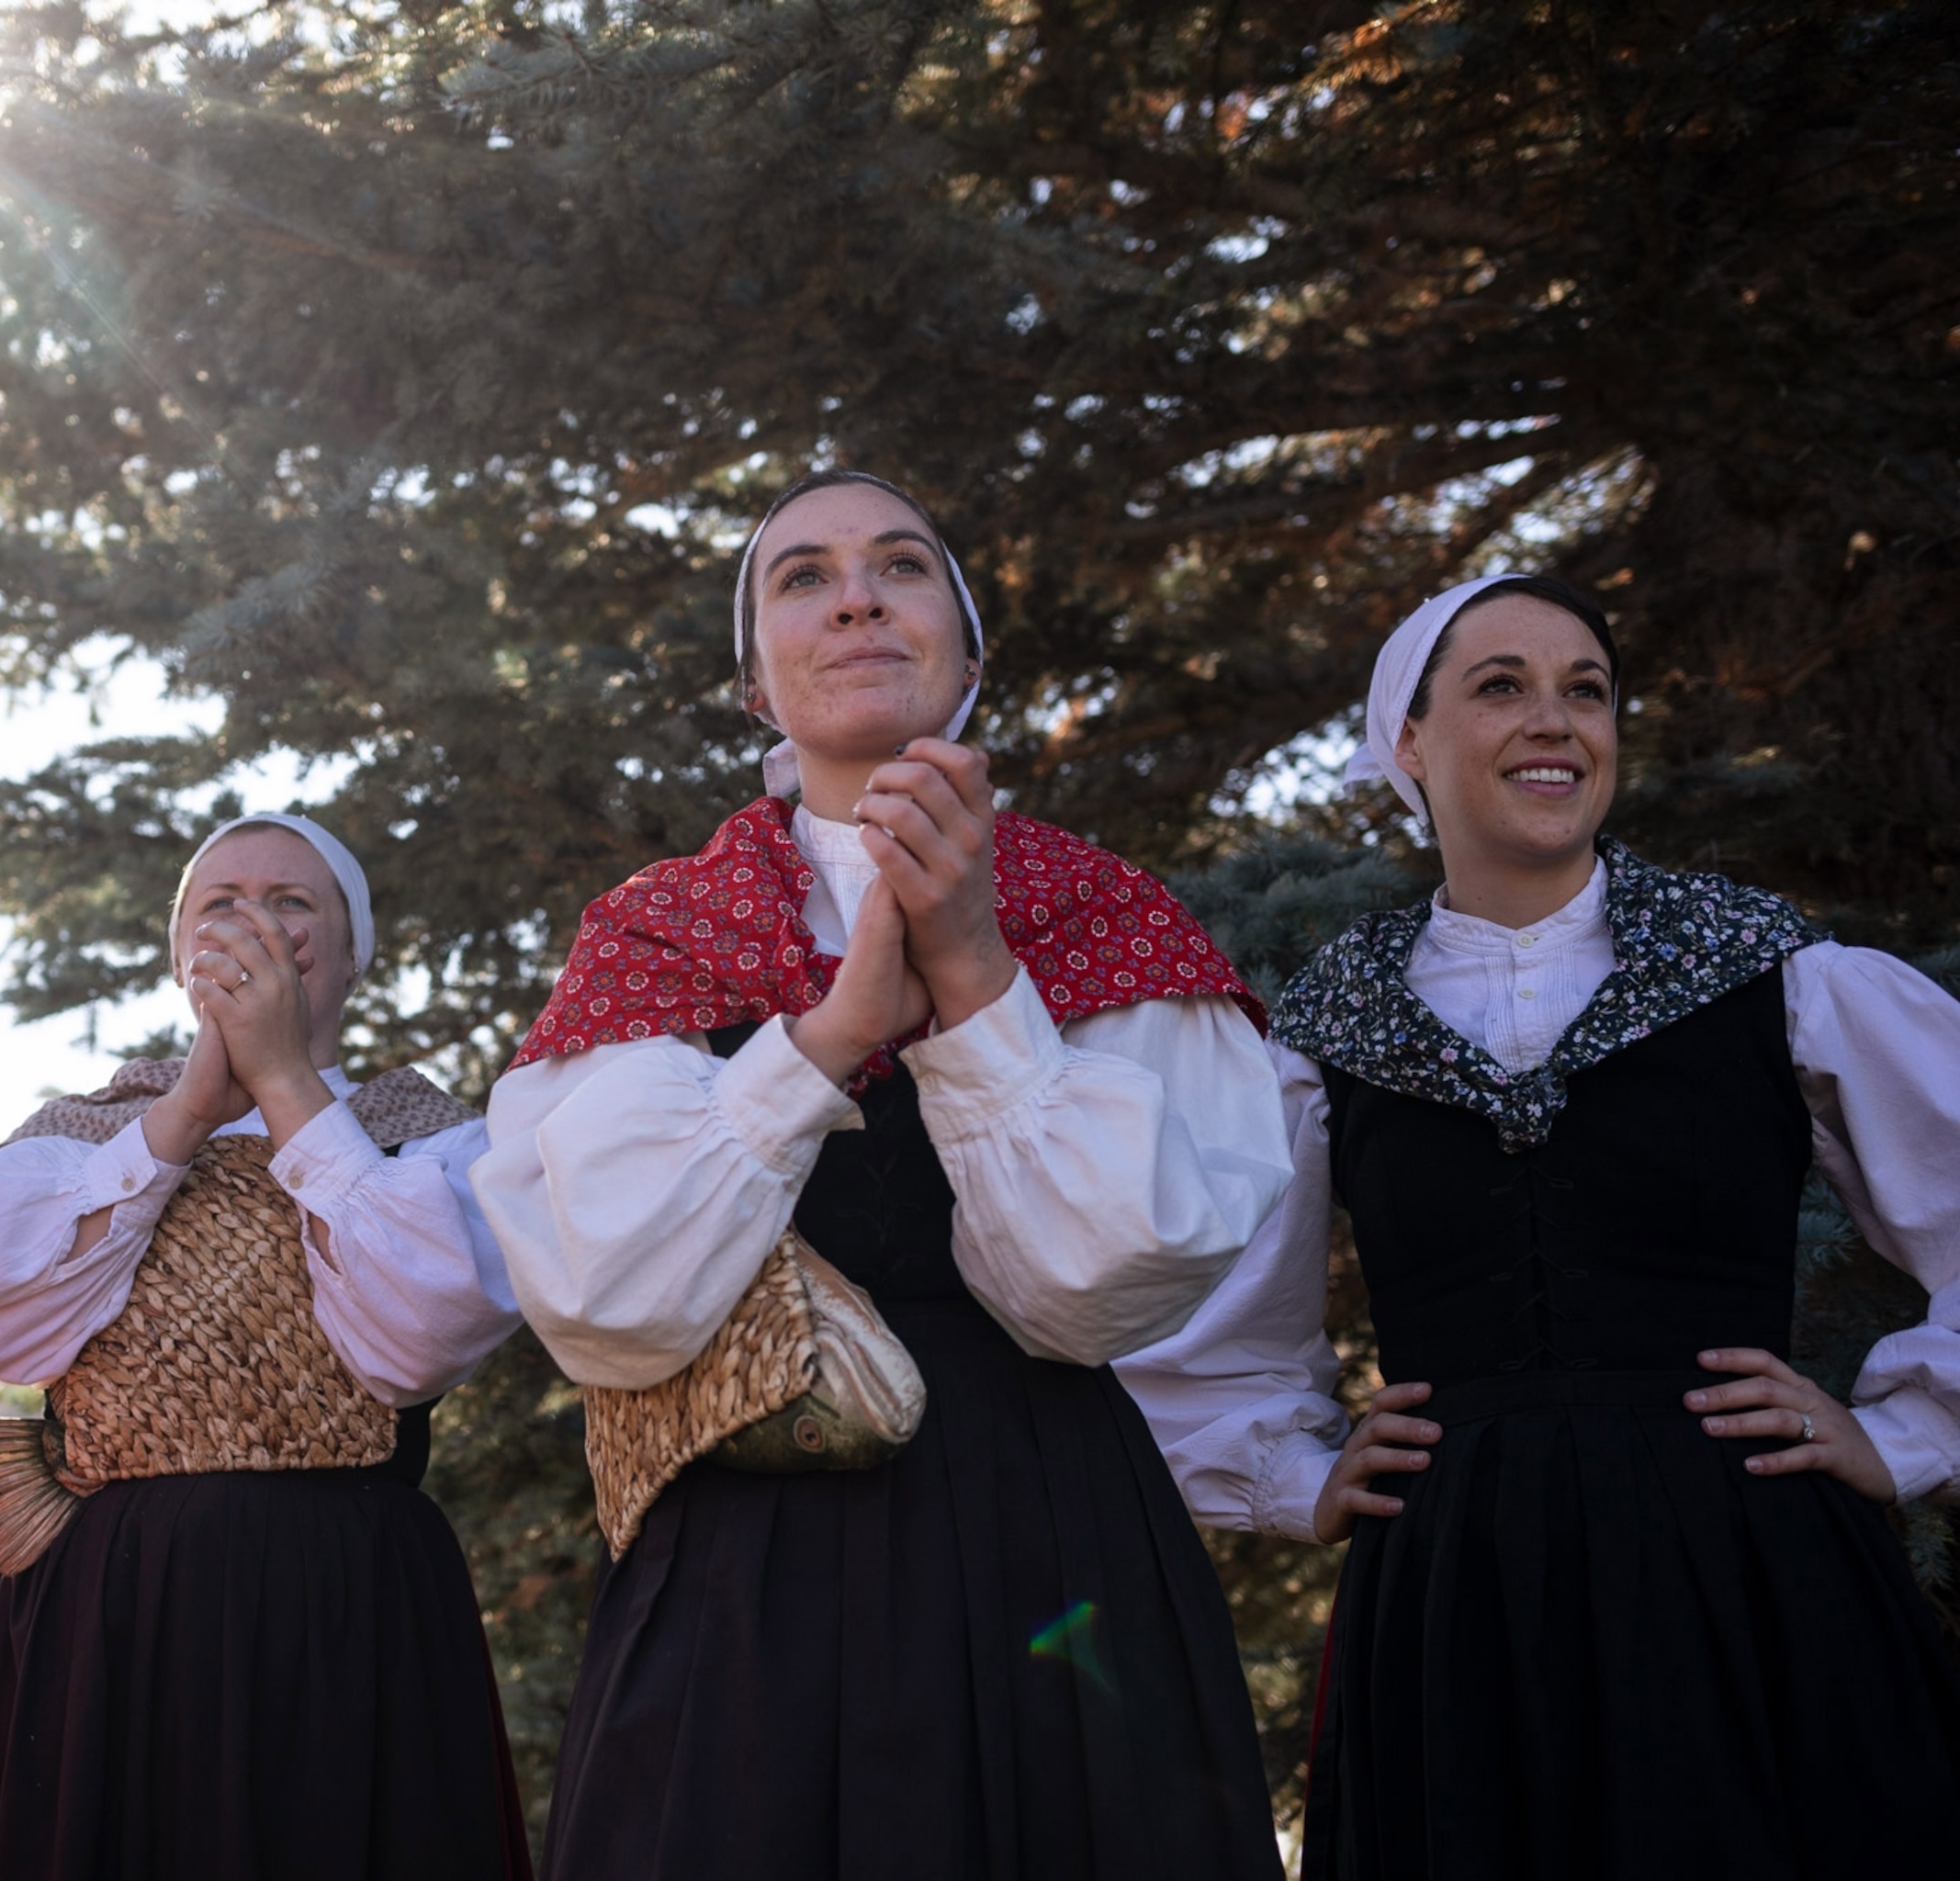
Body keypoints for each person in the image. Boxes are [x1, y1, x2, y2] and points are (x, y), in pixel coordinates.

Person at [473, 469, 1294, 1878]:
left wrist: (975, 968)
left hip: (1046, 1537)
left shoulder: (1100, 915)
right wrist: (833, 1035)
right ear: (756, 689)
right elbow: (602, 1297)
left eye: (900, 565)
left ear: (968, 655)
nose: (855, 594)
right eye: (802, 577)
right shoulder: (657, 937)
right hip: (745, 1570)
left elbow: (1103, 1291)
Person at [1115, 574, 1960, 1877]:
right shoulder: (1331, 1031)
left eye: (1587, 690)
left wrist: (1903, 1434)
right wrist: (1293, 1474)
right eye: (1501, 685)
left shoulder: (1772, 972)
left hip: (1749, 1568)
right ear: (1410, 740)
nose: (1555, 720)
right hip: (1464, 1595)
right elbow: (1202, 1325)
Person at [0, 812, 528, 1881]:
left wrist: (287, 1086)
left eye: (293, 902)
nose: (256, 925)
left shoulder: (427, 1135)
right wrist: (188, 1109)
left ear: (353, 951)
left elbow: (423, 1335)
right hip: (106, 1608)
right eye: (221, 903)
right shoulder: (91, 1130)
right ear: (180, 948)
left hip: (337, 1608)